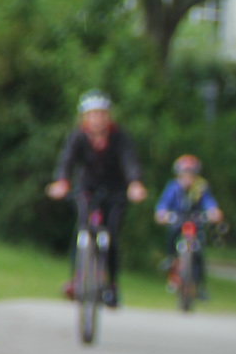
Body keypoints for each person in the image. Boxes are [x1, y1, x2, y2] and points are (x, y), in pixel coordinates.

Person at [46, 92, 148, 308]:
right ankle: (76, 280)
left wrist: (135, 184)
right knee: (82, 229)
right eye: (92, 115)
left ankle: (111, 284)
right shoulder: (78, 137)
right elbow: (66, 160)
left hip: (115, 190)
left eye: (101, 114)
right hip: (86, 188)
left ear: (108, 117)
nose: (97, 119)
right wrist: (62, 182)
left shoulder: (120, 137)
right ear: (84, 118)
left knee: (110, 234)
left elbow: (129, 161)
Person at [154, 155, 224, 292]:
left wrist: (213, 211)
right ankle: (171, 260)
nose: (187, 178)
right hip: (177, 219)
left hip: (195, 221)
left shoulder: (200, 188)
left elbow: (209, 202)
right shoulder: (173, 188)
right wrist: (161, 213)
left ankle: (200, 285)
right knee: (172, 235)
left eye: (191, 174)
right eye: (184, 174)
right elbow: (163, 203)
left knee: (199, 250)